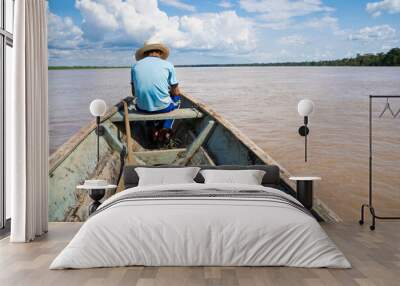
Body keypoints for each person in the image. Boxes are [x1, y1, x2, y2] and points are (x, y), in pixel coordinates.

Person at [131, 42, 181, 143]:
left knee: (147, 101)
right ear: (160, 53)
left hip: (142, 108)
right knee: (178, 100)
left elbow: (134, 93)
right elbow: (175, 92)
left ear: (145, 53)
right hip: (163, 108)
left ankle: (151, 127)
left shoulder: (135, 66)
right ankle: (166, 127)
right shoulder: (168, 65)